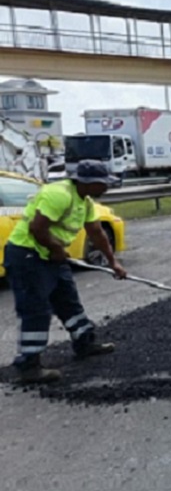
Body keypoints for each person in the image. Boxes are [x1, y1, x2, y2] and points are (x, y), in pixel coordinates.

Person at [4, 160, 127, 384]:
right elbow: (37, 227)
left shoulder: (85, 201)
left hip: (50, 255)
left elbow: (97, 233)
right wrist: (56, 248)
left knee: (68, 302)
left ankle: (85, 344)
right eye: (103, 183)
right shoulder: (59, 194)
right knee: (36, 310)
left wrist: (112, 262)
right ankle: (29, 365)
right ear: (87, 183)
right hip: (27, 256)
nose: (106, 188)